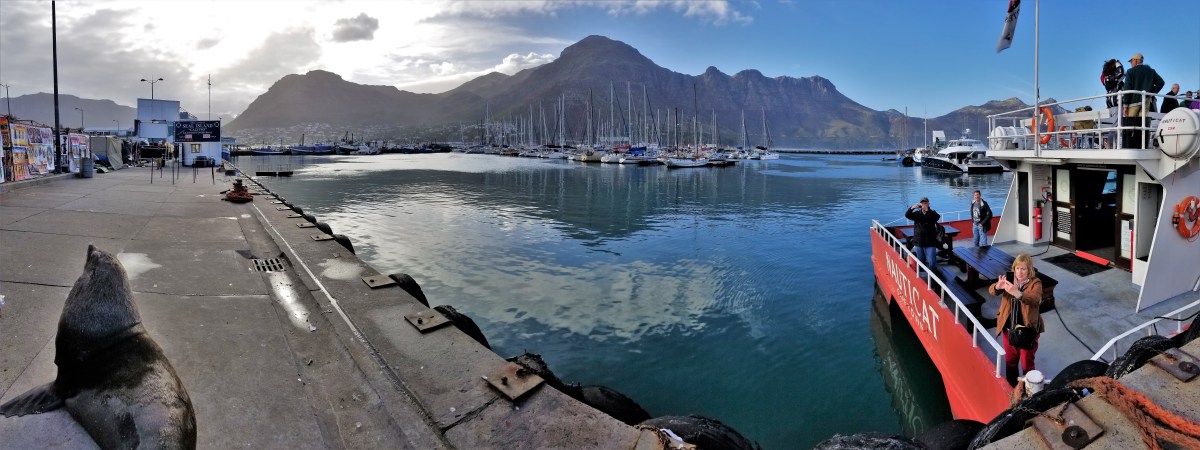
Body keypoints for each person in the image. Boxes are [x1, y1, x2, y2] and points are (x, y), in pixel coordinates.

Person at [989, 253, 1044, 386]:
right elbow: (991, 291)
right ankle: (1012, 386)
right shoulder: (1009, 278)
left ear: (1029, 270)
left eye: (1023, 269)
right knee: (1011, 361)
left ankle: (1028, 387)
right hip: (1009, 330)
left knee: (1027, 362)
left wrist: (1017, 293)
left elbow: (1036, 298)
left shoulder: (1035, 283)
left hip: (1027, 331)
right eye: (1017, 268)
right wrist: (998, 286)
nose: (1020, 272)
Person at [1121, 53, 1165, 147]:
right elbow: (1161, 82)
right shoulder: (1151, 71)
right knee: (1143, 124)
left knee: (1130, 125)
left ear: (1136, 60)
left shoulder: (1130, 72)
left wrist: (1125, 105)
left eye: (1131, 61)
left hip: (1133, 102)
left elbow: (1127, 89)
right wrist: (1150, 93)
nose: (1131, 63)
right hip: (1146, 101)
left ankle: (1130, 145)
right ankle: (1142, 145)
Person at [905, 197, 941, 269]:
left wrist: (927, 211)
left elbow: (936, 218)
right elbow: (907, 215)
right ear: (920, 204)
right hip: (919, 241)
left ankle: (933, 275)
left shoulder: (933, 213)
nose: (924, 205)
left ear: (928, 204)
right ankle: (923, 276)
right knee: (921, 261)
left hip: (930, 242)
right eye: (922, 203)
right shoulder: (917, 214)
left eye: (925, 203)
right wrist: (911, 208)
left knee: (932, 261)